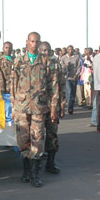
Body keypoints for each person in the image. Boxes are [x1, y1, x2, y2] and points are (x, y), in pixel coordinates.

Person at [11, 32, 59, 187]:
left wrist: (53, 108)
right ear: (27, 42)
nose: (34, 44)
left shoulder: (46, 62)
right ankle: (25, 171)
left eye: (37, 42)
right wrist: (13, 106)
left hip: (39, 107)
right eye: (32, 41)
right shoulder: (18, 61)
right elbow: (13, 85)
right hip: (22, 108)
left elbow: (54, 86)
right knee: (23, 139)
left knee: (37, 139)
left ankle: (35, 173)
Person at [39, 41, 65, 174]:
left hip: (52, 106)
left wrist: (62, 104)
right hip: (37, 106)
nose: (46, 53)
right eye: (43, 50)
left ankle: (51, 163)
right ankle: (36, 162)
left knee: (52, 135)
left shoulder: (56, 66)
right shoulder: (35, 65)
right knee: (37, 135)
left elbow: (62, 85)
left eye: (48, 51)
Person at [60, 45, 81, 114]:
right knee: (69, 92)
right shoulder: (63, 58)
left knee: (73, 93)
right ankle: (69, 108)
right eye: (69, 49)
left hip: (74, 77)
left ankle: (71, 107)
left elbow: (79, 67)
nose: (70, 51)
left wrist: (76, 74)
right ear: (67, 50)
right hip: (67, 77)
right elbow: (60, 67)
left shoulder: (77, 57)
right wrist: (65, 66)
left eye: (72, 49)